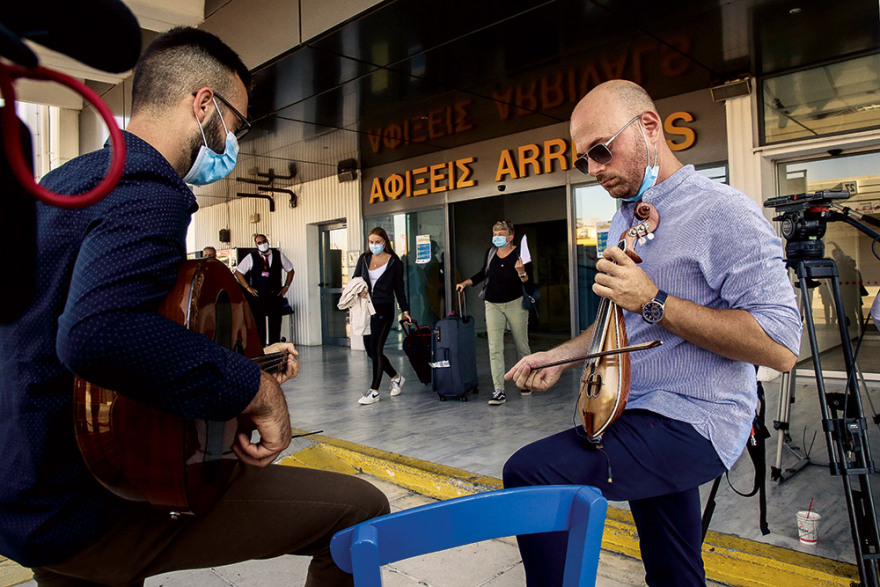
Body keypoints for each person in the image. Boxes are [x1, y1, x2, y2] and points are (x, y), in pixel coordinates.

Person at [0, 27, 388, 587]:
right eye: (237, 122)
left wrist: (255, 361)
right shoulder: (147, 187)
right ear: (203, 102)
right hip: (86, 506)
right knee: (358, 512)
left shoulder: (68, 182)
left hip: (29, 488)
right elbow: (97, 334)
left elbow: (85, 341)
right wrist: (256, 389)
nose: (235, 140)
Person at [503, 80, 802, 586]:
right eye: (584, 161)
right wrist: (557, 356)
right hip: (637, 410)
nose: (594, 168)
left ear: (649, 127)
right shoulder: (626, 218)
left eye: (601, 150)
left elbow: (780, 346)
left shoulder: (723, 212)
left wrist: (655, 299)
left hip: (695, 417)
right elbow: (616, 323)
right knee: (671, 565)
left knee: (532, 473)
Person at [456, 220, 534, 405]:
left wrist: (522, 272)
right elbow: (483, 273)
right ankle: (499, 390)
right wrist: (466, 283)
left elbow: (529, 283)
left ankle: (525, 381)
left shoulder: (519, 253)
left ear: (510, 237)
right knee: (494, 348)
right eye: (495, 234)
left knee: (522, 345)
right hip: (492, 304)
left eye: (501, 234)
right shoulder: (490, 253)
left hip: (515, 303)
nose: (497, 237)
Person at [352, 227, 411, 405]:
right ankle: (396, 377)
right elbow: (355, 279)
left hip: (384, 309)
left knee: (377, 349)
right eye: (371, 242)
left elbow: (399, 288)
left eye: (378, 242)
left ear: (385, 242)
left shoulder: (394, 262)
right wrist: (360, 290)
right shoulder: (364, 258)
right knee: (370, 351)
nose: (374, 245)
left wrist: (405, 310)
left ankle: (374, 391)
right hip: (366, 308)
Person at [235, 234, 295, 345]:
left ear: (267, 241)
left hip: (275, 295)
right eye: (259, 242)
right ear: (256, 245)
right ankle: (261, 350)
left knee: (275, 325)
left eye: (264, 241)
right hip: (258, 296)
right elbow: (238, 273)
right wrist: (248, 287)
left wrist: (286, 287)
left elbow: (291, 270)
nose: (262, 244)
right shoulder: (251, 257)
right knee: (259, 325)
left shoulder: (278, 255)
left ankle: (275, 350)